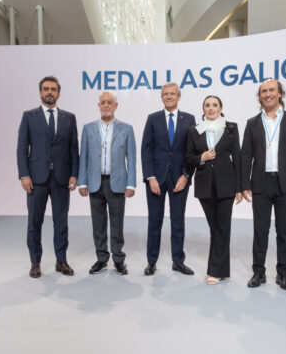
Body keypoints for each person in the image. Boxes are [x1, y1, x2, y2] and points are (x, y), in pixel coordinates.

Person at [241, 79, 286, 291]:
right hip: (260, 183)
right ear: (259, 96)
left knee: (284, 231)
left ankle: (283, 275)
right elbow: (245, 156)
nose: (267, 94)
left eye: (271, 90)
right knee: (260, 231)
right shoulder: (252, 123)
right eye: (263, 91)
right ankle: (258, 273)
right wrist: (244, 184)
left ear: (280, 94)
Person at [17, 76, 79, 278]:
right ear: (40, 92)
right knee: (34, 223)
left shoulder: (69, 118)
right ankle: (35, 262)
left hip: (61, 178)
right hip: (36, 179)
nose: (49, 92)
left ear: (59, 93)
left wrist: (74, 175)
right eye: (46, 89)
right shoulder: (29, 116)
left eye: (53, 89)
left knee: (61, 222)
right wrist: (24, 174)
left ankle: (61, 261)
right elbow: (21, 148)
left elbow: (73, 149)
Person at [185, 95, 242, 285]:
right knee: (216, 227)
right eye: (207, 105)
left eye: (214, 105)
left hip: (227, 184)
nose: (211, 108)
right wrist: (202, 157)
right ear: (203, 109)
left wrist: (240, 187)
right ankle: (222, 270)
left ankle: (215, 271)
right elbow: (188, 158)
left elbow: (238, 159)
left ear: (221, 108)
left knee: (222, 226)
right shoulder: (194, 131)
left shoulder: (231, 128)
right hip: (204, 184)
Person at [141, 82, 196, 276]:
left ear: (179, 97)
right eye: (165, 94)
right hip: (156, 179)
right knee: (154, 221)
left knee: (178, 221)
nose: (169, 97)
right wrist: (150, 177)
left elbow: (193, 151)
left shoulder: (189, 119)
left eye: (172, 94)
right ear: (162, 97)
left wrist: (186, 175)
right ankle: (152, 261)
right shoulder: (153, 119)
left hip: (179, 179)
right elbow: (145, 149)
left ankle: (178, 261)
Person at [78, 91, 136, 275]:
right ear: (98, 105)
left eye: (109, 102)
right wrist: (82, 182)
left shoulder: (126, 129)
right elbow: (84, 157)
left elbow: (131, 158)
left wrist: (131, 184)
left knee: (117, 223)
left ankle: (118, 258)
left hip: (117, 182)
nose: (105, 105)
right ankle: (102, 258)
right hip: (95, 182)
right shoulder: (88, 128)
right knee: (98, 223)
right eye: (102, 102)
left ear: (115, 105)